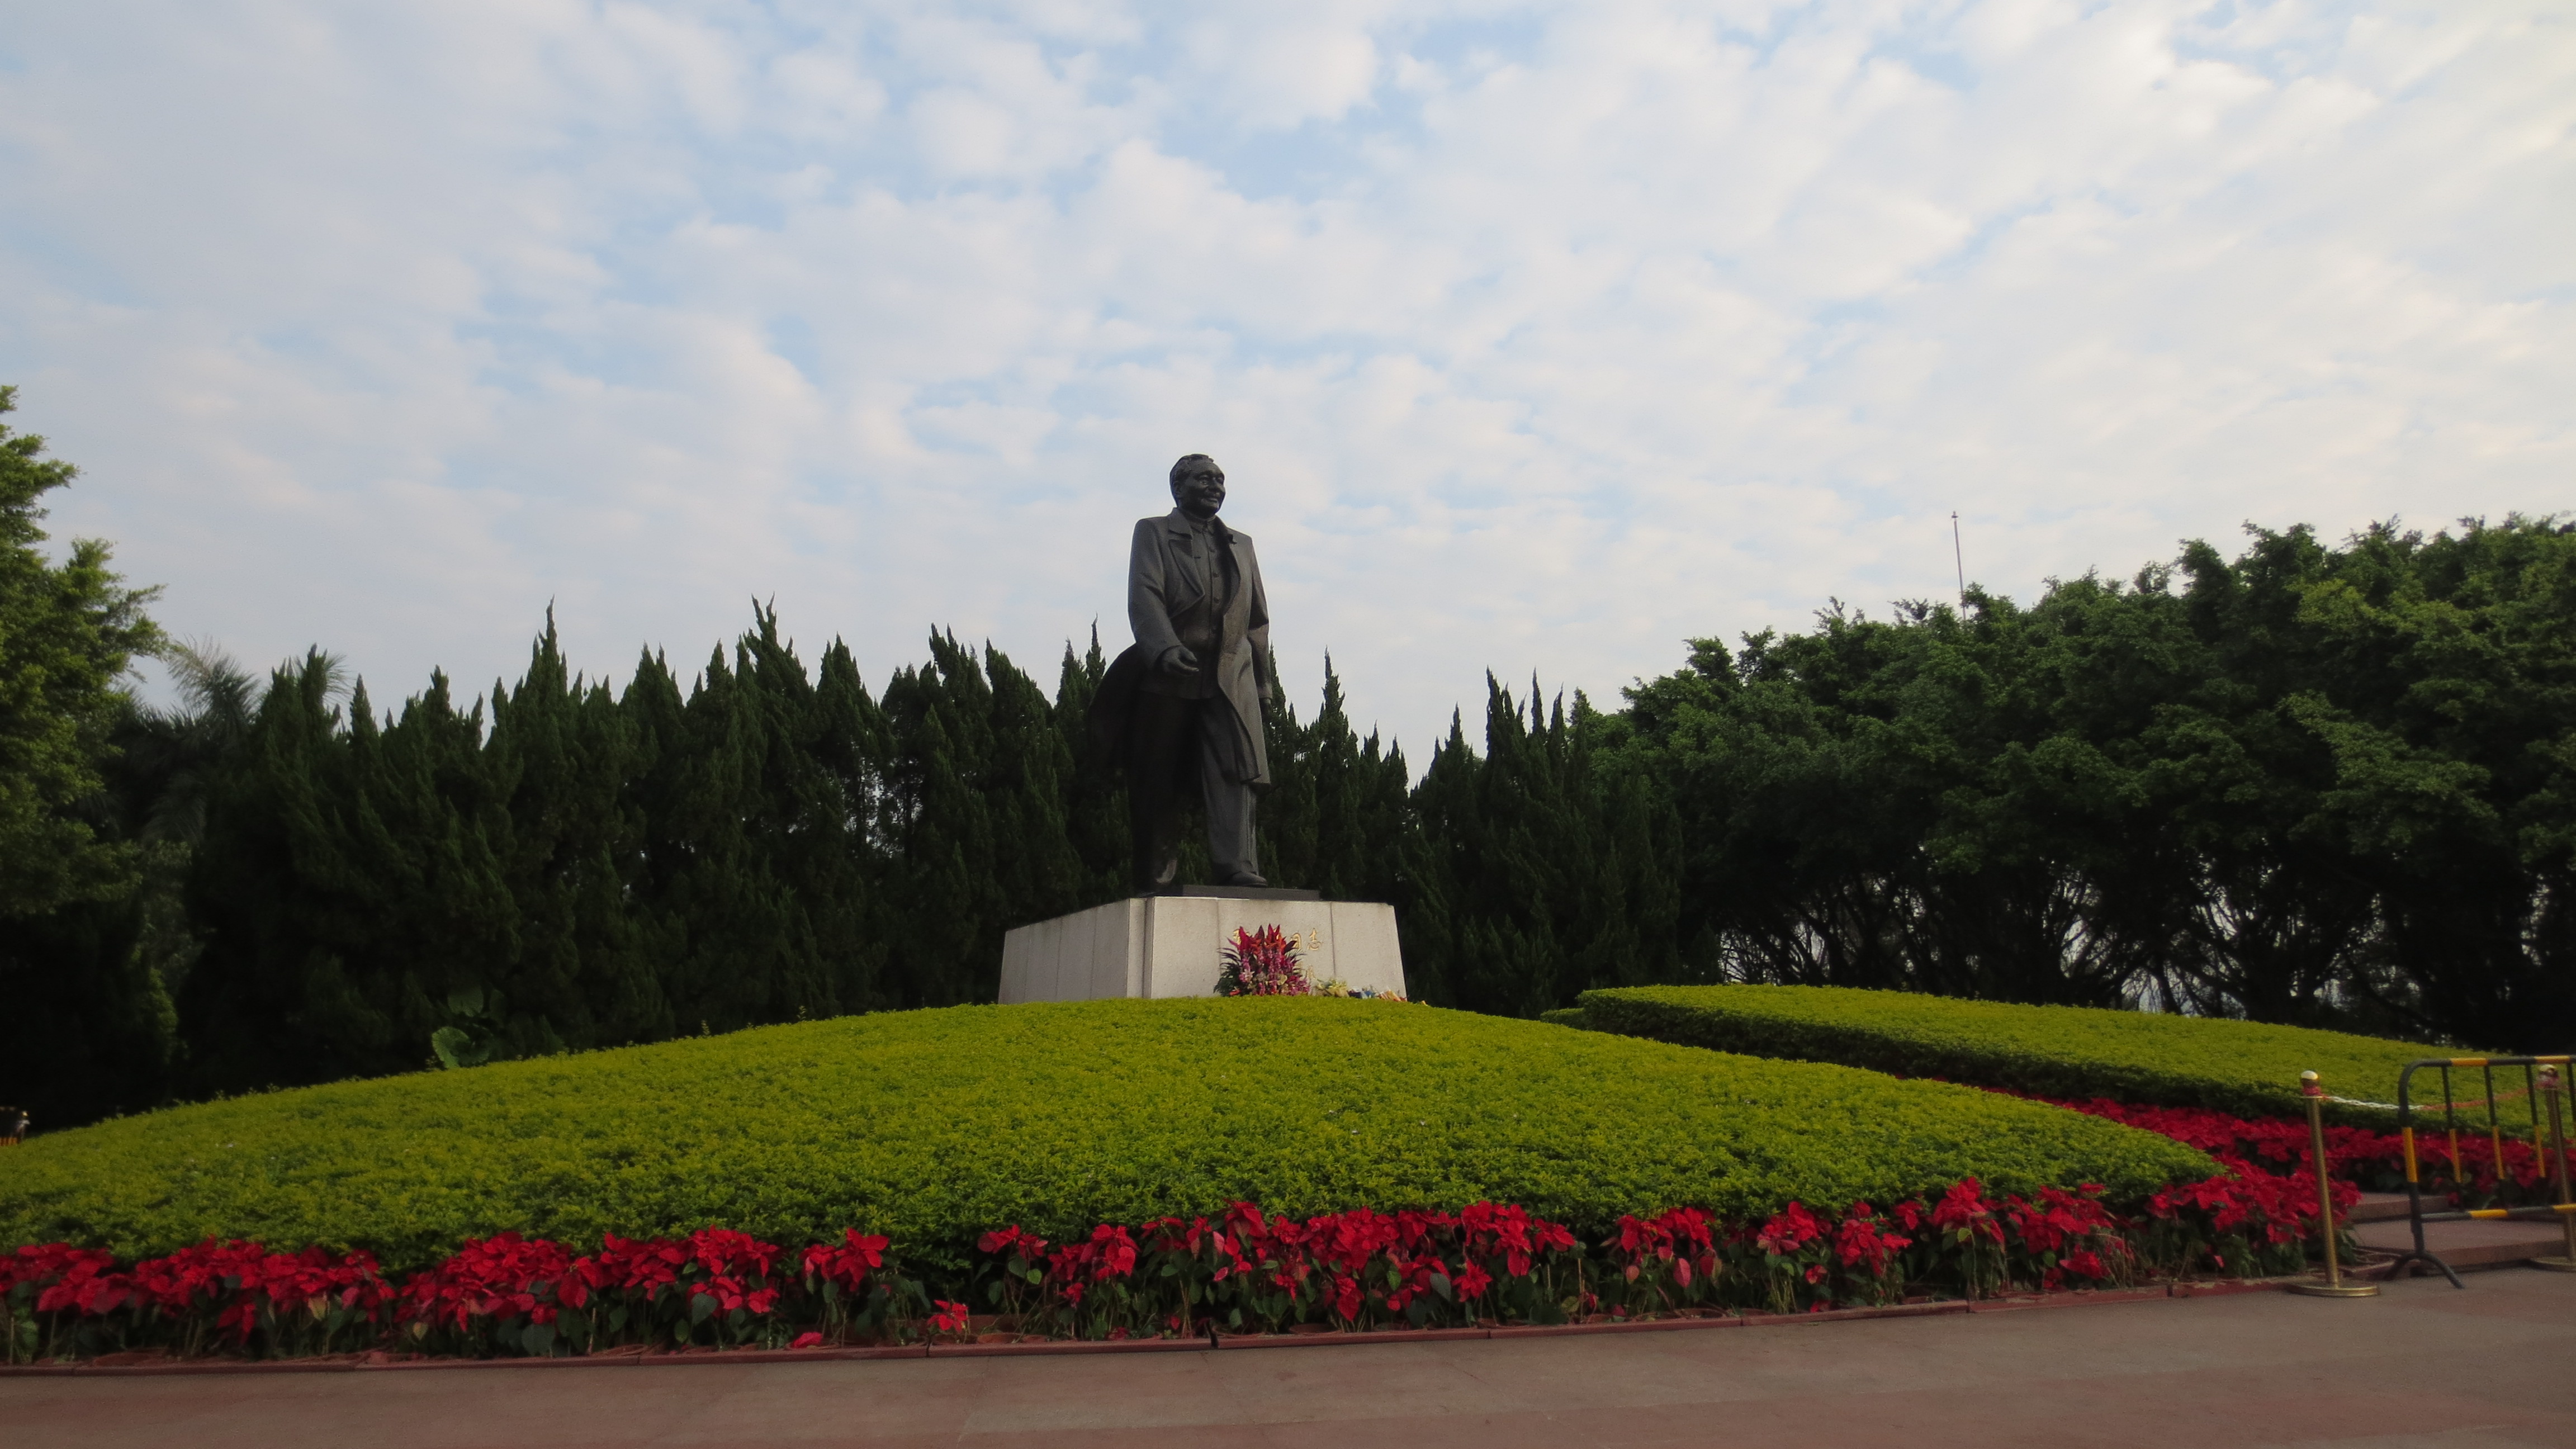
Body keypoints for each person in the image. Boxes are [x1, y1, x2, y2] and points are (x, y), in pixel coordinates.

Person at [1091, 453, 1273, 891]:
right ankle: (1157, 872)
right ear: (1178, 488)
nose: (1215, 486)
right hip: (1169, 672)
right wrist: (1165, 648)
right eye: (1203, 479)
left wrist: (1263, 683)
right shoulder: (1153, 532)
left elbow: (1256, 618)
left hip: (1229, 674)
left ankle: (1236, 864)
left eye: (1220, 480)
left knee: (1234, 768)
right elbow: (1145, 596)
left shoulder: (1241, 544)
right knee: (1158, 774)